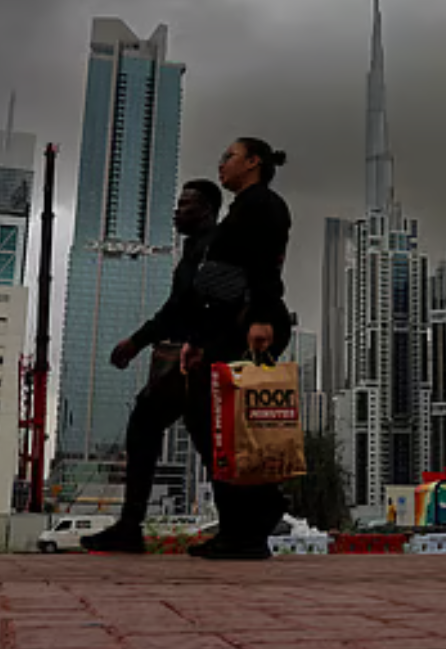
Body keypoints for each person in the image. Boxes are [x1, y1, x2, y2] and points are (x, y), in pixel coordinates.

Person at [87, 138, 294, 560]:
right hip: (220, 334)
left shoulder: (261, 206)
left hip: (244, 331)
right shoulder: (236, 215)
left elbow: (263, 267)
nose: (222, 163)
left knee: (220, 432)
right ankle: (245, 523)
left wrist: (259, 319)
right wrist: (191, 342)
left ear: (253, 162)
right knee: (207, 430)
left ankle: (252, 520)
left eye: (229, 156)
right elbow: (200, 299)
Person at [80, 178, 221, 555]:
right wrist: (138, 341)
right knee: (200, 439)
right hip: (193, 358)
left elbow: (217, 303)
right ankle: (132, 527)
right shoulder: (194, 250)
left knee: (173, 430)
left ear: (207, 210)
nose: (177, 211)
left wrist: (197, 344)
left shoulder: (214, 247)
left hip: (202, 359)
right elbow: (176, 309)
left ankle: (133, 527)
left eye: (186, 204)